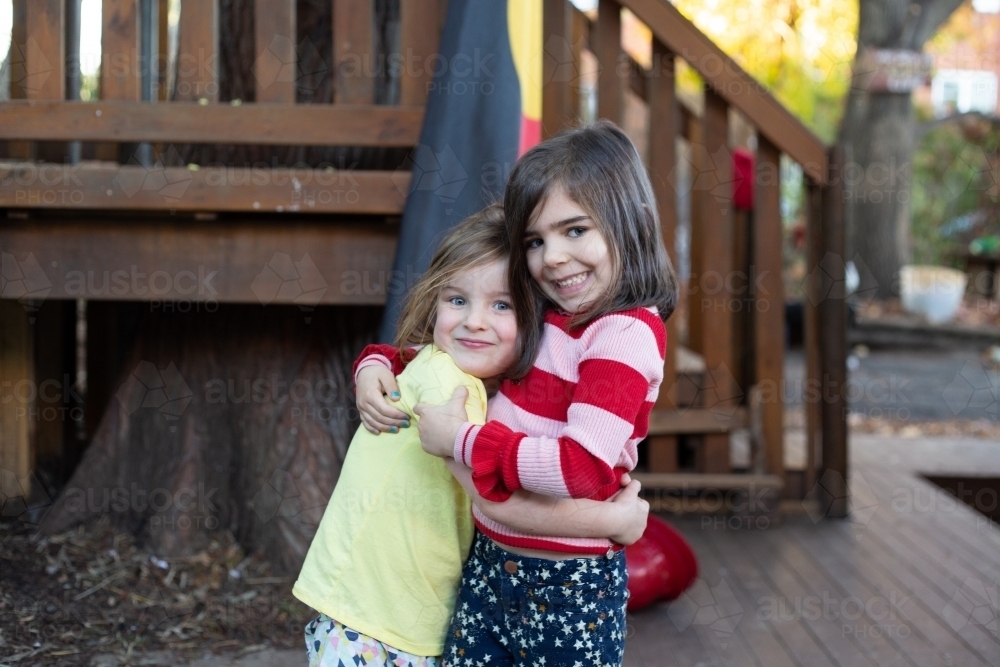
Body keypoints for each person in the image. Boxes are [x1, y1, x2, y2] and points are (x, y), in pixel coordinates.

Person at [356, 120, 678, 666]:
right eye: (536, 241)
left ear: (628, 221)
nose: (552, 257)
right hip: (489, 570)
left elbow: (578, 467)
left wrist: (463, 442)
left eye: (575, 230)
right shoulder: (553, 319)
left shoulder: (622, 335)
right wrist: (376, 363)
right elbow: (458, 358)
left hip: (567, 589)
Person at [295, 204, 650, 667]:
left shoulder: (485, 388)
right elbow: (492, 499)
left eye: (501, 305)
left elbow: (400, 356)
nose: (474, 321)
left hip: (389, 610)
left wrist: (372, 362)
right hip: (374, 619)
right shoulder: (449, 393)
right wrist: (614, 524)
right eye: (456, 300)